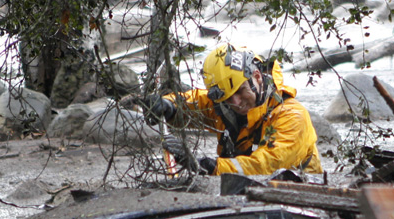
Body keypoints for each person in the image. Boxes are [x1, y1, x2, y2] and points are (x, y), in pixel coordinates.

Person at [136, 43, 322, 176]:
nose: (236, 103)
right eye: (226, 98)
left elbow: (267, 165)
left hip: (300, 200)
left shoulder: (291, 115)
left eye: (240, 91)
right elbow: (198, 101)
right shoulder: (227, 104)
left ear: (257, 77)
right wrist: (169, 105)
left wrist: (209, 166)